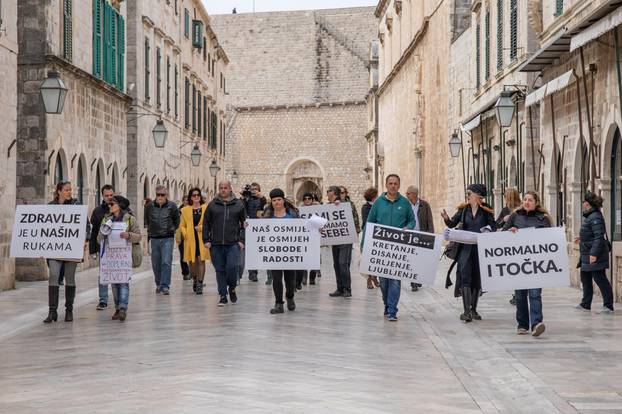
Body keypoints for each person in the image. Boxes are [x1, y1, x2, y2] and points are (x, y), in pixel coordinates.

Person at [364, 175, 416, 321]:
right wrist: (364, 245)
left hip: (398, 247)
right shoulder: (378, 203)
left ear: (399, 185)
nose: (393, 186)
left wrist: (408, 227)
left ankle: (393, 310)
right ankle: (387, 304)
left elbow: (412, 220)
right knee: (384, 282)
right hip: (381, 248)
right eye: (390, 183)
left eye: (395, 183)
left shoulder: (405, 203)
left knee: (395, 280)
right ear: (386, 185)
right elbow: (370, 222)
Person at [442, 184, 496, 322]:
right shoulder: (463, 210)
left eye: (469, 193)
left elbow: (493, 226)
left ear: (477, 195)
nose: (467, 196)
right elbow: (452, 224)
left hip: (480, 249)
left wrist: (487, 230)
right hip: (465, 249)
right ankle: (466, 311)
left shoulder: (486, 210)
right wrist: (446, 218)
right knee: (465, 276)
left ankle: (473, 309)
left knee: (477, 278)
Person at [503, 191, 552, 336]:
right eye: (525, 199)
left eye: (530, 200)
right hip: (519, 264)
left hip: (536, 264)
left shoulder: (543, 219)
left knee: (535, 293)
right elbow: (502, 235)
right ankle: (522, 324)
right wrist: (510, 231)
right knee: (520, 295)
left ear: (536, 202)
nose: (527, 202)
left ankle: (536, 323)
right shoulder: (515, 216)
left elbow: (550, 240)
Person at [43, 181, 90, 323]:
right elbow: (42, 227)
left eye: (71, 190)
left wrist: (85, 239)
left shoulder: (77, 206)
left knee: (70, 278)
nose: (70, 192)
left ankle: (69, 310)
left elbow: (86, 225)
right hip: (55, 248)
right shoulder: (50, 207)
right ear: (59, 191)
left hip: (72, 248)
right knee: (53, 275)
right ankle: (52, 311)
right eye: (67, 190)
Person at [97, 196, 142, 322]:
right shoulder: (106, 219)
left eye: (112, 204)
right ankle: (117, 308)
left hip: (124, 256)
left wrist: (128, 235)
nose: (110, 206)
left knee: (123, 282)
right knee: (114, 282)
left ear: (120, 205)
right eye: (109, 204)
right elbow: (99, 238)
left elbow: (138, 236)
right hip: (111, 257)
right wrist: (104, 232)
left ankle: (123, 308)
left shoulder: (130, 219)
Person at [203, 181, 247, 306]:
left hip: (233, 243)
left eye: (225, 188)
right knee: (220, 270)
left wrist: (242, 240)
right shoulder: (212, 205)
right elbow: (206, 223)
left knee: (232, 267)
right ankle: (223, 295)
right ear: (219, 189)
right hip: (216, 244)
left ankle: (232, 288)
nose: (223, 190)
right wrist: (206, 240)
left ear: (230, 189)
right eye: (221, 188)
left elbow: (244, 224)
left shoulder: (238, 205)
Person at [576, 192, 614, 313]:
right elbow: (592, 234)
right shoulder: (591, 216)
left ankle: (608, 306)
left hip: (593, 254)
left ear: (587, 204)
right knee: (585, 277)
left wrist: (594, 254)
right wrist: (582, 238)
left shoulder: (595, 217)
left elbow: (599, 237)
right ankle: (585, 304)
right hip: (587, 252)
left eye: (583, 202)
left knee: (600, 278)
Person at [264, 188, 300, 314]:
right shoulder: (268, 214)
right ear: (271, 202)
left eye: (279, 199)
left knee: (290, 278)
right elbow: (261, 230)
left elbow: (303, 228)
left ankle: (290, 297)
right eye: (274, 200)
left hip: (290, 251)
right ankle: (278, 303)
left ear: (283, 200)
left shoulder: (293, 213)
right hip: (274, 251)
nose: (277, 202)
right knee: (276, 278)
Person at [145, 185, 180, 295]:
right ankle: (158, 284)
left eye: (162, 195)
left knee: (166, 262)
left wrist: (171, 229)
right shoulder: (150, 206)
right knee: (156, 263)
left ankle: (165, 286)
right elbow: (147, 219)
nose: (160, 197)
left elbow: (177, 220)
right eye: (158, 194)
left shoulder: (172, 206)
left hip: (167, 238)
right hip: (154, 238)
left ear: (166, 195)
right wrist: (151, 230)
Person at [177, 188, 210, 295]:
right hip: (190, 239)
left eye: (198, 195)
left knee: (201, 260)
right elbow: (182, 225)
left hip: (202, 238)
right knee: (192, 262)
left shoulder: (206, 208)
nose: (196, 197)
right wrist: (186, 233)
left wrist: (201, 227)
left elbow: (210, 222)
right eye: (194, 195)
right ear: (190, 197)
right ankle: (195, 279)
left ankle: (200, 283)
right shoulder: (185, 210)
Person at [89, 184, 115, 310]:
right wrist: (92, 249)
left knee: (117, 273)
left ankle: (119, 300)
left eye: (111, 195)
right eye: (106, 196)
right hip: (103, 248)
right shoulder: (97, 211)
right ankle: (103, 300)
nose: (109, 198)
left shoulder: (121, 208)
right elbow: (94, 232)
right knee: (104, 273)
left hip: (118, 248)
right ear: (102, 196)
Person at [327, 186, 354, 299]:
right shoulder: (329, 205)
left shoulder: (343, 203)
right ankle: (340, 288)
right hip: (335, 239)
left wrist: (340, 203)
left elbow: (349, 210)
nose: (327, 193)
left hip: (346, 239)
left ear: (334, 193)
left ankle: (347, 289)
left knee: (343, 264)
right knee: (336, 265)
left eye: (329, 191)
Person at [405, 186, 434, 292]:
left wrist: (431, 236)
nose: (406, 195)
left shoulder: (424, 205)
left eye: (408, 193)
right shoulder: (405, 205)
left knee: (420, 259)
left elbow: (429, 221)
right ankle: (414, 283)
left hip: (422, 235)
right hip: (410, 236)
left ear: (414, 194)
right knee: (412, 260)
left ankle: (418, 278)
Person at [497, 187, 521, 306]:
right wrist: (503, 219)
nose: (504, 198)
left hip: (517, 245)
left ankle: (518, 295)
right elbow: (496, 224)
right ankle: (517, 294)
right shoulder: (505, 210)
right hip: (511, 245)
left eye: (505, 196)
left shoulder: (520, 210)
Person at [240, 182, 267, 282]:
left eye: (256, 189)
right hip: (246, 227)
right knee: (243, 251)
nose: (254, 191)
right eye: (252, 189)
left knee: (254, 252)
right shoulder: (246, 198)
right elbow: (241, 208)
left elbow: (267, 207)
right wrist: (243, 196)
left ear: (259, 190)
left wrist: (263, 197)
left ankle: (253, 273)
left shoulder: (262, 199)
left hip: (257, 228)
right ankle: (240, 273)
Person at [298, 192, 320, 287]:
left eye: (309, 198)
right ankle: (304, 277)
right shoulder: (299, 210)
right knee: (304, 258)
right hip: (304, 237)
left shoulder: (318, 209)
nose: (307, 200)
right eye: (305, 199)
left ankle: (312, 278)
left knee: (315, 258)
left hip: (315, 236)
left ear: (312, 199)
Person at [361, 187, 379, 289]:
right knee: (368, 258)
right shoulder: (366, 207)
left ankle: (374, 277)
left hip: (377, 235)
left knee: (376, 258)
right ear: (373, 196)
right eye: (376, 195)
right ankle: (369, 280)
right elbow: (366, 220)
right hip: (368, 235)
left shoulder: (378, 206)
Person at [178, 196, 191, 281]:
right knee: (183, 255)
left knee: (191, 255)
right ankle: (185, 273)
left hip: (191, 236)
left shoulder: (192, 210)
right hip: (182, 237)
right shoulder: (179, 211)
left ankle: (192, 272)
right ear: (182, 201)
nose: (186, 202)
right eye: (185, 200)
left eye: (187, 200)